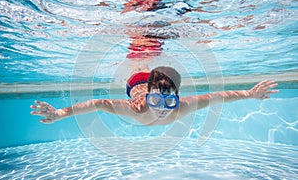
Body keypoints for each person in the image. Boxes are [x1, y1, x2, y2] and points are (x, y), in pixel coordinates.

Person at [31, 66, 279, 126]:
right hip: (134, 79)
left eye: (170, 101)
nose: (163, 108)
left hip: (147, 80)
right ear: (148, 97)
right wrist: (60, 113)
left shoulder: (181, 107)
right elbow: (98, 103)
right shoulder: (135, 108)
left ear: (177, 98)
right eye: (156, 100)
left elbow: (217, 96)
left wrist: (249, 93)